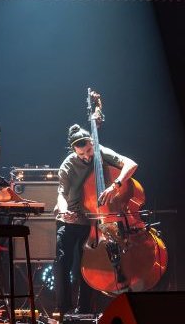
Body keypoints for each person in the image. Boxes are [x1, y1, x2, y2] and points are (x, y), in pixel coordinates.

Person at [54, 122, 138, 316]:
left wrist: (116, 185)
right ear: (74, 150)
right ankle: (63, 309)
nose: (87, 157)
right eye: (81, 154)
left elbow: (131, 164)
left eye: (89, 151)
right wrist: (65, 210)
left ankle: (83, 310)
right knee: (62, 261)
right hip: (72, 220)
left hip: (94, 222)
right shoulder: (67, 165)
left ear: (92, 143)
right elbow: (61, 195)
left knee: (90, 265)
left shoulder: (99, 151)